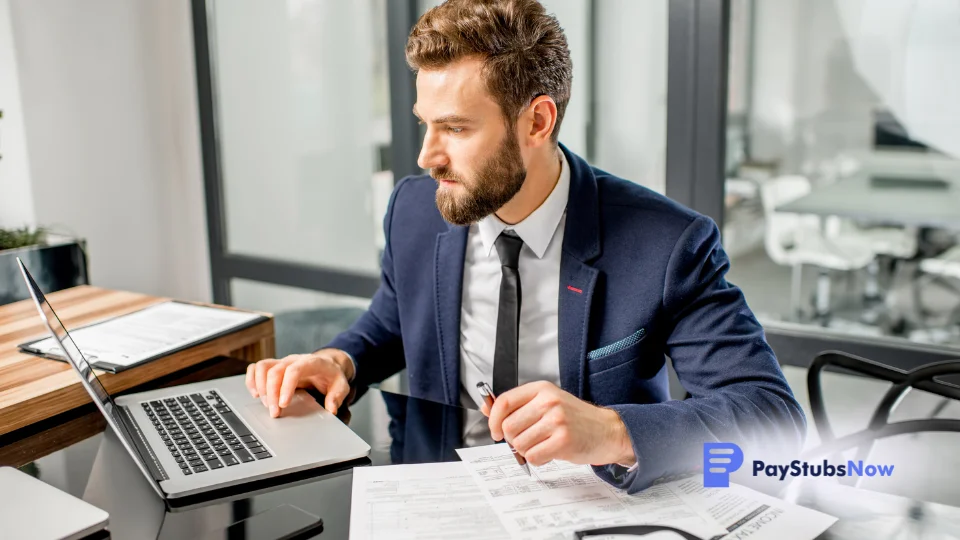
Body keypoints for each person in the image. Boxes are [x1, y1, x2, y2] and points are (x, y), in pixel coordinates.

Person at [245, 0, 806, 492]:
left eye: (457, 129)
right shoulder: (415, 210)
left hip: (593, 509)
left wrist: (612, 431)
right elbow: (393, 320)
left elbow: (772, 416)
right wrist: (340, 359)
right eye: (425, 124)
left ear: (538, 120)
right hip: (434, 495)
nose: (426, 156)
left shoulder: (665, 243)